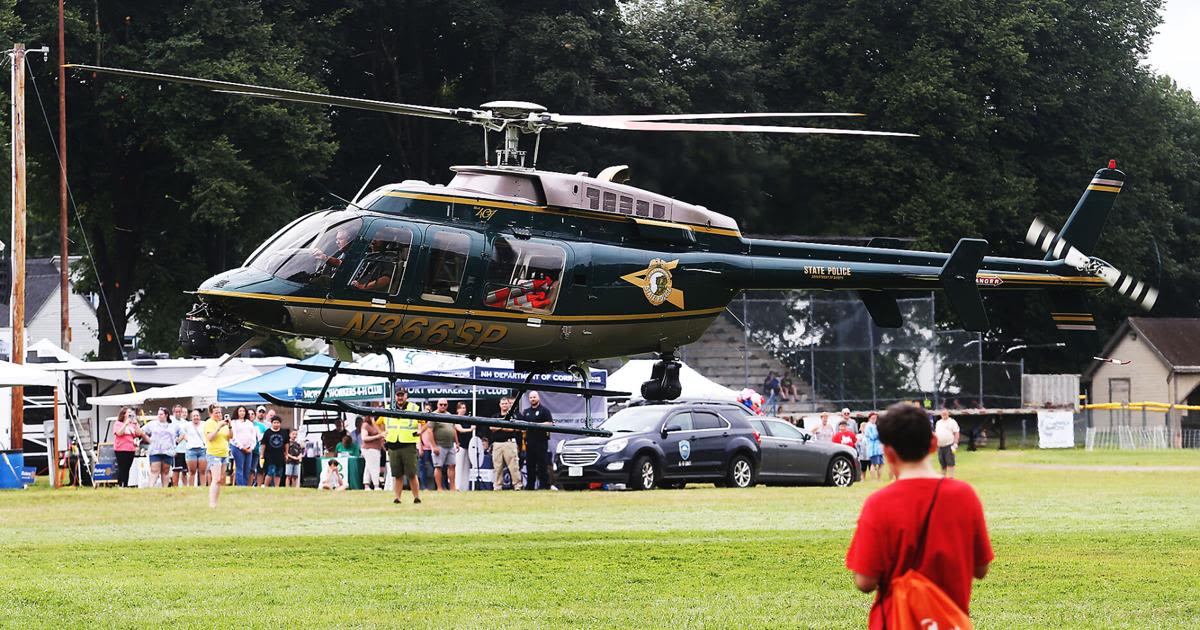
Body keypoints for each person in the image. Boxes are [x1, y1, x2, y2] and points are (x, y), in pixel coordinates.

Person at [845, 403, 993, 628]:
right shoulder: (965, 496)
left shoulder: (878, 504)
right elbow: (981, 569)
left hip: (896, 622)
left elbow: (865, 581)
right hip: (948, 622)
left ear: (888, 453)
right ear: (934, 444)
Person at [385, 387, 422, 504]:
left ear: (406, 396)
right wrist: (382, 433)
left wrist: (421, 431)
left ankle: (416, 497)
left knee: (412, 473)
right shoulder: (388, 408)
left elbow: (426, 422)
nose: (400, 397)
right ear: (395, 396)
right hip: (393, 445)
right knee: (397, 474)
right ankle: (397, 498)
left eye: (402, 395)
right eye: (398, 395)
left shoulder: (415, 408)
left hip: (408, 444)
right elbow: (376, 422)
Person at [519, 391, 553, 490]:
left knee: (542, 464)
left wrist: (537, 425)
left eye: (534, 397)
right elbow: (523, 426)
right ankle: (530, 486)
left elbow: (550, 423)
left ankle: (544, 485)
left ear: (538, 398)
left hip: (541, 442)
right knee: (530, 465)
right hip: (530, 442)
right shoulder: (526, 411)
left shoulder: (544, 410)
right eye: (531, 397)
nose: (532, 399)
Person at [422, 399, 457, 491]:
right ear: (437, 405)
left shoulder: (449, 415)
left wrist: (456, 442)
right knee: (438, 466)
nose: (443, 406)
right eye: (441, 404)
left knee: (452, 465)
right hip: (439, 445)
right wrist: (433, 446)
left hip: (450, 445)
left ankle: (453, 488)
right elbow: (429, 431)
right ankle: (439, 488)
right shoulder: (434, 415)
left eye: (445, 405)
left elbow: (453, 429)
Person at [142, 407, 182, 488]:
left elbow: (182, 433)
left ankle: (165, 488)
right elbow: (142, 431)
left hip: (168, 451)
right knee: (154, 470)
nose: (159, 416)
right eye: (158, 414)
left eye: (161, 414)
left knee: (165, 471)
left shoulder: (173, 425)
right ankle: (151, 487)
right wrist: (148, 440)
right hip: (155, 451)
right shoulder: (152, 424)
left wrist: (177, 442)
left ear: (166, 415)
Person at [203, 404, 232, 508]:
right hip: (213, 453)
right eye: (216, 413)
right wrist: (218, 427)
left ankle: (215, 501)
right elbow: (210, 437)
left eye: (220, 412)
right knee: (216, 478)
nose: (219, 414)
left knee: (220, 479)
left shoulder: (223, 424)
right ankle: (212, 503)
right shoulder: (209, 423)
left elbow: (230, 437)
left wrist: (229, 425)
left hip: (224, 453)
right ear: (211, 413)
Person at [490, 395, 521, 490]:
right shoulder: (495, 416)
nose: (504, 405)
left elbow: (512, 429)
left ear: (509, 405)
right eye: (502, 403)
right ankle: (497, 486)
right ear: (500, 405)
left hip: (509, 444)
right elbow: (491, 427)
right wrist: (503, 427)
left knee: (513, 466)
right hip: (497, 444)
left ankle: (517, 486)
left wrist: (498, 426)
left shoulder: (513, 416)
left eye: (506, 403)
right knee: (497, 467)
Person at [112, 407, 143, 487]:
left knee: (127, 467)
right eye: (128, 412)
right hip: (120, 449)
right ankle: (120, 484)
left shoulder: (132, 425)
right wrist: (126, 423)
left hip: (130, 449)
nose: (130, 414)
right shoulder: (118, 423)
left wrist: (136, 424)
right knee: (122, 467)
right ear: (124, 414)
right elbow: (119, 433)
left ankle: (125, 484)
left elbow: (139, 433)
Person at [229, 406, 258, 486]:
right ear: (237, 412)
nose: (242, 413)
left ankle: (245, 485)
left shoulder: (249, 423)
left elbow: (253, 436)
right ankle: (240, 485)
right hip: (238, 448)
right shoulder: (234, 422)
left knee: (247, 469)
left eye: (243, 411)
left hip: (249, 448)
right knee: (239, 468)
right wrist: (242, 447)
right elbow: (233, 437)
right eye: (240, 411)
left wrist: (251, 447)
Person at [182, 409, 208, 486]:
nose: (196, 417)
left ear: (199, 417)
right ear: (191, 417)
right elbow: (180, 433)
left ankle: (203, 487)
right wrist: (187, 439)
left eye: (197, 415)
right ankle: (191, 488)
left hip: (202, 449)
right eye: (194, 416)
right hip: (191, 450)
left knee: (202, 471)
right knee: (192, 471)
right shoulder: (187, 425)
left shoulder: (204, 424)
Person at [260, 415, 288, 488]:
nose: (276, 424)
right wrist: (262, 454)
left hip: (280, 456)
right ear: (272, 423)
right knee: (270, 472)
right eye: (274, 422)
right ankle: (266, 486)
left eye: (278, 422)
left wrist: (286, 454)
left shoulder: (284, 432)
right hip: (269, 456)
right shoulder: (267, 432)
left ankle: (276, 487)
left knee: (278, 472)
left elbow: (286, 444)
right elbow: (263, 444)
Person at [360, 414, 385, 490]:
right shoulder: (365, 425)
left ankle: (366, 485)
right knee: (374, 467)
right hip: (369, 449)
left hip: (376, 448)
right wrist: (377, 436)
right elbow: (364, 438)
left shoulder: (376, 425)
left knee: (368, 467)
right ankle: (376, 485)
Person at [453, 402, 474, 491]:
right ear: (457, 409)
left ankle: (465, 487)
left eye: (464, 408)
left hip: (467, 445)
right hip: (459, 445)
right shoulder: (456, 419)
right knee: (459, 466)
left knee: (466, 467)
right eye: (461, 408)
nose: (463, 409)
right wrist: (471, 429)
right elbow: (460, 429)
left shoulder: (468, 419)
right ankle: (457, 486)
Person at [935, 409, 961, 478]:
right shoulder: (938, 422)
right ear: (940, 415)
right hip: (940, 446)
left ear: (948, 414)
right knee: (942, 463)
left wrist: (955, 444)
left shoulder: (952, 422)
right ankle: (943, 478)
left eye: (945, 414)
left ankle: (951, 477)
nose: (944, 415)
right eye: (942, 414)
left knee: (950, 462)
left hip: (949, 446)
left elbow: (956, 433)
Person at [169, 404, 190, 487]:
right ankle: (175, 487)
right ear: (173, 412)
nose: (178, 413)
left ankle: (185, 488)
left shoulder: (186, 423)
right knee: (176, 470)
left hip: (185, 449)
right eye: (176, 412)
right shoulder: (171, 421)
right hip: (176, 450)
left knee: (185, 471)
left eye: (179, 412)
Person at [252, 406, 270, 486]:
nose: (261, 414)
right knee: (251, 468)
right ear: (256, 413)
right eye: (260, 412)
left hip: (262, 450)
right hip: (251, 449)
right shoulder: (252, 423)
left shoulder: (267, 425)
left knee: (261, 469)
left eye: (263, 412)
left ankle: (259, 485)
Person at [864, 412, 884, 481]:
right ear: (869, 418)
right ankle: (873, 479)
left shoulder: (876, 425)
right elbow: (872, 436)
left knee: (881, 464)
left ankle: (879, 478)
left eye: (875, 418)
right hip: (873, 449)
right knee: (874, 464)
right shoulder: (868, 426)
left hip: (879, 449)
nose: (874, 419)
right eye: (873, 418)